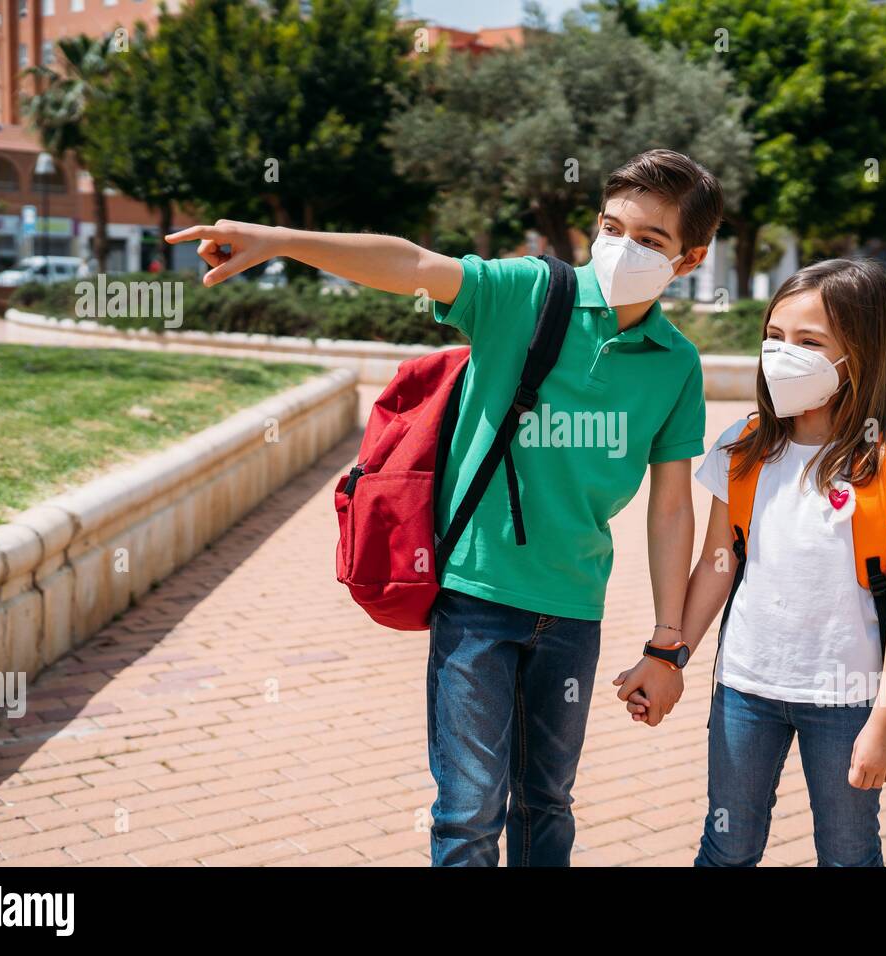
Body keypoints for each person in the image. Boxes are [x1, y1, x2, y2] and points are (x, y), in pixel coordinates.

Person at [166, 149, 721, 866]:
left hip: (576, 613)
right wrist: (282, 242)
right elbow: (413, 265)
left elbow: (671, 509)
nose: (622, 249)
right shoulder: (528, 294)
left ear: (691, 259)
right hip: (477, 601)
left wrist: (665, 645)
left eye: (650, 241)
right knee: (467, 812)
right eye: (612, 228)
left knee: (547, 806)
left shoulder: (675, 363)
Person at [616, 258, 886, 866]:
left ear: (859, 354)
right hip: (744, 689)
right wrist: (668, 654)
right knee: (727, 849)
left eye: (809, 342)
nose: (783, 354)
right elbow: (718, 563)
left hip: (848, 700)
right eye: (775, 338)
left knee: (848, 854)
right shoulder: (744, 444)